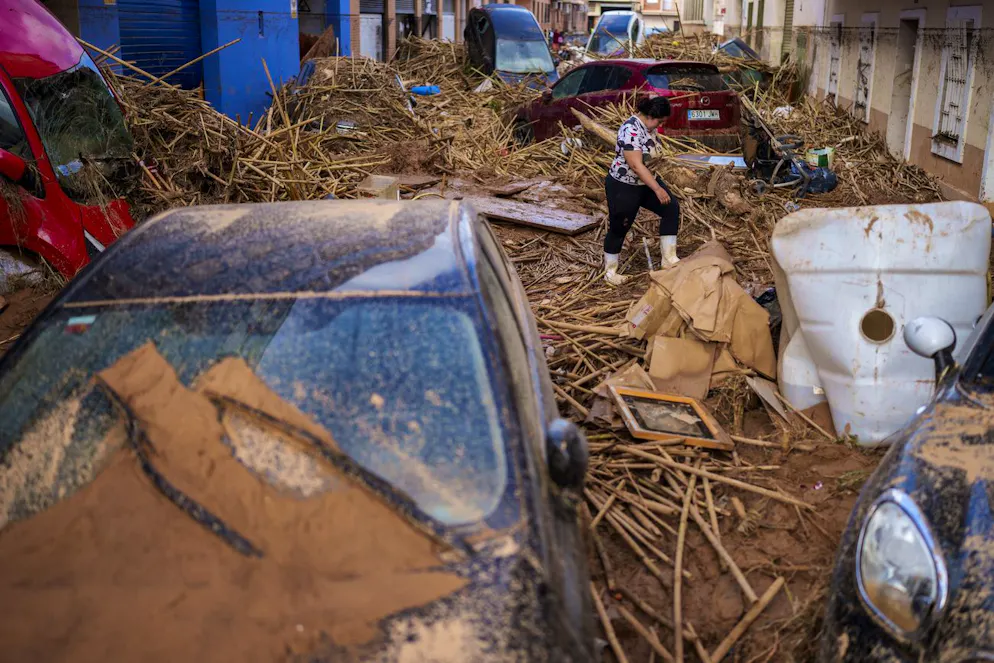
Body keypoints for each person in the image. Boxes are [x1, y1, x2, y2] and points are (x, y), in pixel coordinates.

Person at [603, 96, 680, 285]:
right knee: (620, 226)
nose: (661, 125)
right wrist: (657, 189)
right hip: (624, 185)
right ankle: (610, 273)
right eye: (660, 121)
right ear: (651, 116)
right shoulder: (630, 130)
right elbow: (636, 165)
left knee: (671, 208)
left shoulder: (649, 128)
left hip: (645, 181)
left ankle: (669, 260)